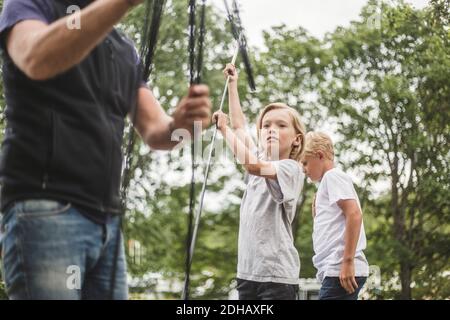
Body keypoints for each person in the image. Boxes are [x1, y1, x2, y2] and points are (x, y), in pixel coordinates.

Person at [0, 0, 211, 300]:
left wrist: (183, 125)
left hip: (107, 223)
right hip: (45, 209)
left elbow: (156, 132)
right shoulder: (31, 5)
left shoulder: (123, 47)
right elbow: (35, 58)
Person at [212, 64, 306, 300]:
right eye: (266, 125)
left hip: (276, 277)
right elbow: (239, 126)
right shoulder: (260, 157)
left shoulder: (290, 168)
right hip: (247, 273)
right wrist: (233, 85)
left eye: (281, 125)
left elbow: (252, 165)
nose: (271, 129)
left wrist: (223, 131)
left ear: (296, 140)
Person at [301, 131, 369, 300]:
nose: (303, 169)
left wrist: (347, 262)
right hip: (332, 270)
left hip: (340, 268)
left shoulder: (333, 176)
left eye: (305, 163)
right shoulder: (326, 183)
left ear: (319, 155)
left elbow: (354, 214)